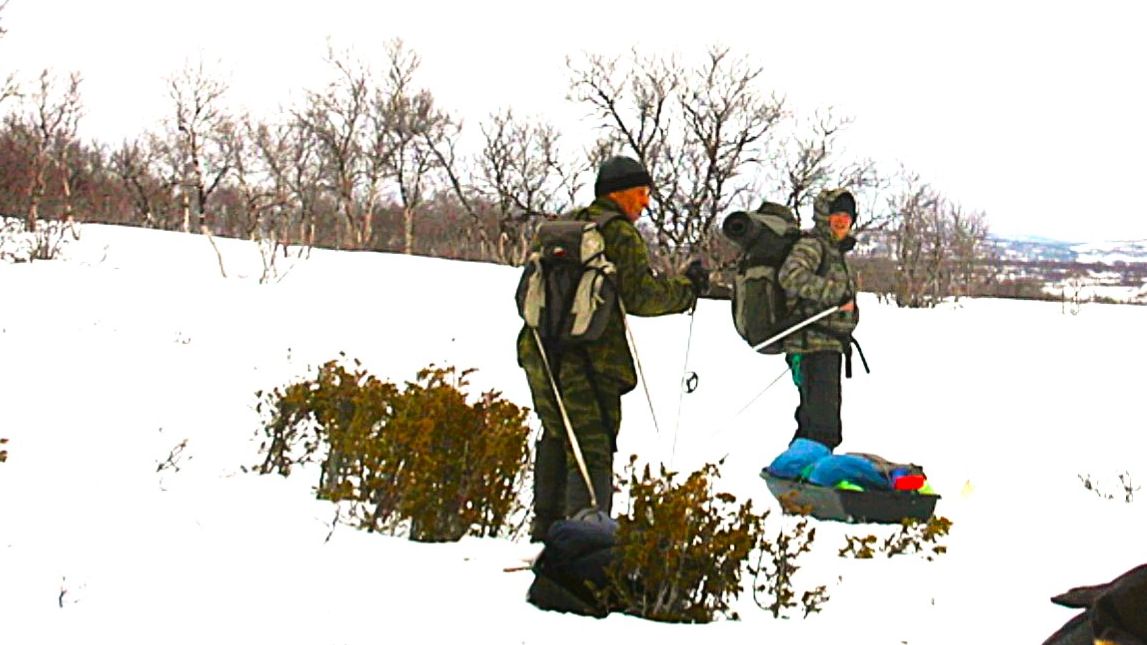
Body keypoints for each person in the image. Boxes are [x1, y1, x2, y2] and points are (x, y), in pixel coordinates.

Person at [517, 155, 708, 541]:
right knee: (593, 445)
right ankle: (585, 540)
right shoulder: (618, 233)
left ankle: (545, 530)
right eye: (641, 193)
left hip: (540, 351)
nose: (645, 203)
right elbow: (641, 296)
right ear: (618, 193)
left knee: (556, 433)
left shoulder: (566, 225)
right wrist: (687, 289)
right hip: (591, 357)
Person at [775, 188, 860, 455]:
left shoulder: (835, 251)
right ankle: (803, 471)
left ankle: (799, 469)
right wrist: (835, 294)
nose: (842, 220)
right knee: (821, 426)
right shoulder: (812, 245)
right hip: (810, 345)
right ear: (824, 215)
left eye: (847, 215)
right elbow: (790, 276)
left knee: (817, 423)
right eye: (837, 213)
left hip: (828, 346)